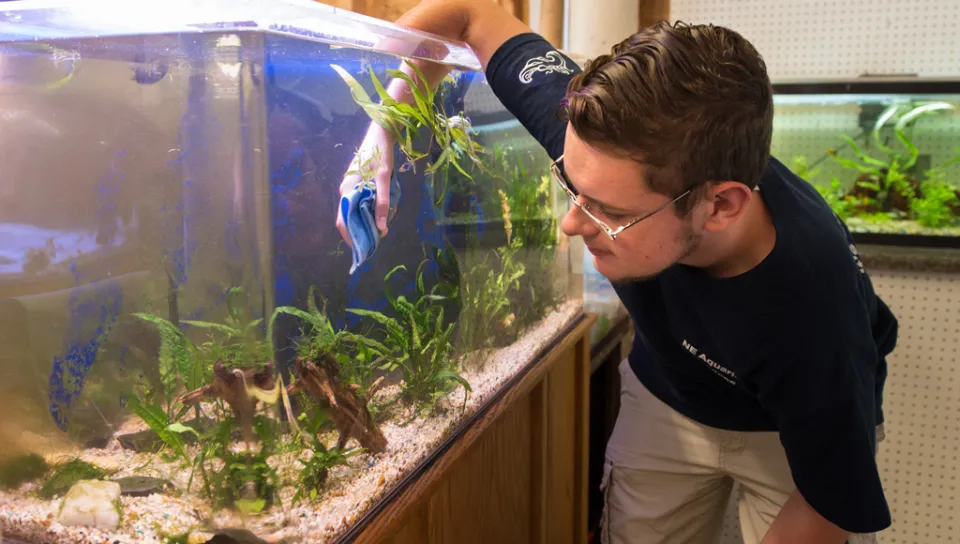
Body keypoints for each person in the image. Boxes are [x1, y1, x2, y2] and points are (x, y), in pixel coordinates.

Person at [334, 1, 899, 543]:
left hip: (786, 428)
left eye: (613, 212)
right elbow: (467, 11)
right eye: (572, 187)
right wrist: (380, 130)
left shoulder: (812, 314)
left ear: (721, 206)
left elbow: (827, 506)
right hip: (668, 393)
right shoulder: (604, 140)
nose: (572, 226)